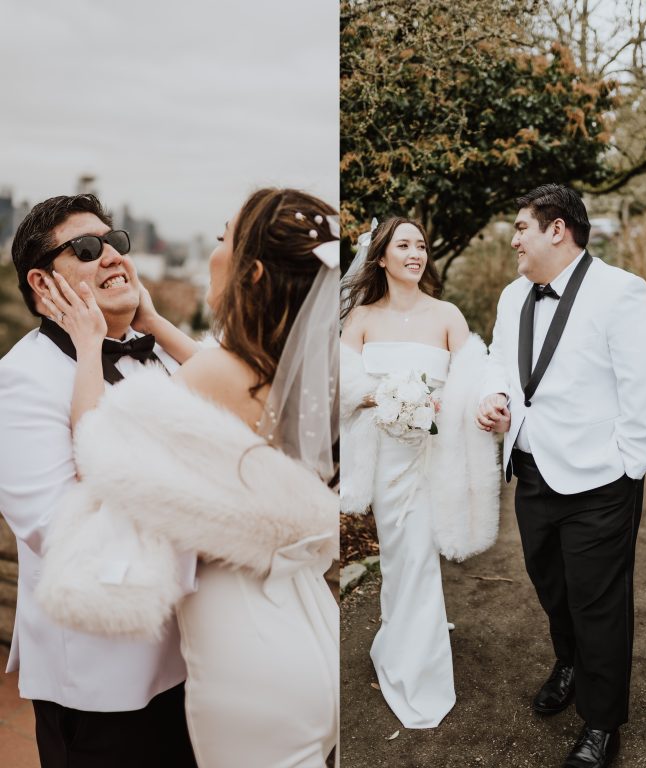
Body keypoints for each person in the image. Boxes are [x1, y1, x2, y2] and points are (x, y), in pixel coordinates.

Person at [33, 188, 340, 767]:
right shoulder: (291, 372)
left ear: (249, 269)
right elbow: (215, 369)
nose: (213, 249)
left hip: (247, 643)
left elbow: (96, 451)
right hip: (309, 622)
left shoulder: (221, 375)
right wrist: (155, 321)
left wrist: (87, 340)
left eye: (223, 237)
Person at [0, 193, 197, 767]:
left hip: (192, 658)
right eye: (88, 248)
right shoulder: (21, 380)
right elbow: (54, 528)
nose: (112, 255)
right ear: (43, 282)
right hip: (102, 677)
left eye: (117, 242)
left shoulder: (159, 353)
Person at [476, 183, 646, 768]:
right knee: (549, 582)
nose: (513, 240)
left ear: (557, 229)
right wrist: (493, 397)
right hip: (532, 469)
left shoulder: (621, 291)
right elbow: (500, 362)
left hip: (601, 481)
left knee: (599, 603)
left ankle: (602, 723)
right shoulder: (514, 296)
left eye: (520, 228)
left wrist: (626, 466)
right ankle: (570, 662)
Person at [339, 216, 500, 729]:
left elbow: (474, 379)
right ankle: (398, 642)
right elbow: (340, 390)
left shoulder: (447, 314)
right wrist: (383, 396)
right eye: (403, 245)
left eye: (421, 245)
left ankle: (420, 672)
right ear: (380, 255)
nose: (416, 253)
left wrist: (459, 402)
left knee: (420, 560)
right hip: (388, 461)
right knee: (401, 558)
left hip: (436, 458)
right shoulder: (360, 318)